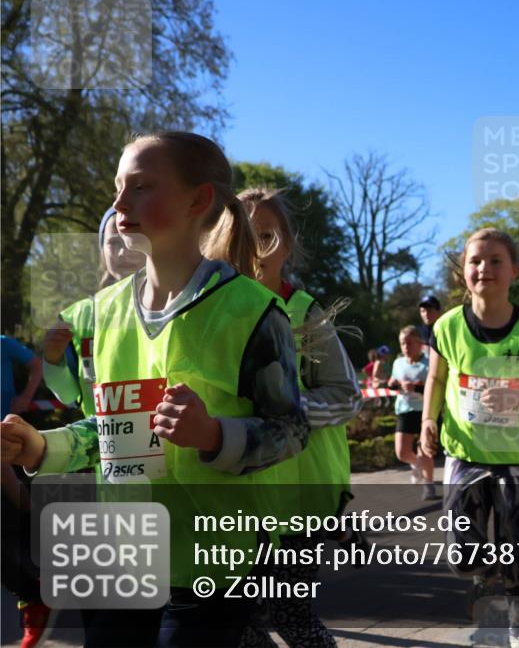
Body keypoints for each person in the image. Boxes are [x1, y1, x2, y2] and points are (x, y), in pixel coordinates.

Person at [1, 131, 310, 647]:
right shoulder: (100, 315)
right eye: (118, 188)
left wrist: (214, 435)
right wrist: (41, 446)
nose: (120, 203)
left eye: (141, 187)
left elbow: (292, 428)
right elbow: (110, 425)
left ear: (199, 200)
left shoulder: (254, 312)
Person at [420, 228, 519, 648]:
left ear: (514, 270)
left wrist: (516, 401)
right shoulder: (446, 327)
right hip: (465, 454)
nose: (485, 268)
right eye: (475, 261)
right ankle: (483, 573)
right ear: (463, 272)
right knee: (462, 559)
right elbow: (434, 376)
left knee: (515, 547)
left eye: (496, 260)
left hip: (518, 457)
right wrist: (429, 419)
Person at [238, 187, 363, 648]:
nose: (255, 250)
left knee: (292, 613)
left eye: (268, 236)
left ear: (288, 245)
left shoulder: (303, 311)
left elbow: (348, 396)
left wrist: (285, 411)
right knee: (235, 622)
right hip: (233, 499)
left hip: (296, 498)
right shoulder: (208, 313)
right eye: (242, 236)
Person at [42, 206, 146, 419]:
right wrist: (53, 360)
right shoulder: (78, 316)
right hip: (102, 442)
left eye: (132, 239)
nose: (123, 251)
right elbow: (69, 396)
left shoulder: (177, 303)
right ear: (102, 251)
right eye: (113, 242)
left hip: (163, 439)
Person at [0, 335, 48, 648]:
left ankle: (34, 596)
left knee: (15, 511)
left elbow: (37, 366)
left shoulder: (3, 343)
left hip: (6, 442)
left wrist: (24, 397)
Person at [388, 325, 436, 500]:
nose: (406, 347)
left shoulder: (429, 362)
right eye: (402, 344)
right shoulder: (398, 362)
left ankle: (429, 485)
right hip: (405, 409)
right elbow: (392, 381)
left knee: (426, 450)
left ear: (419, 343)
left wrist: (416, 387)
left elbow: (437, 386)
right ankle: (417, 464)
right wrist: (392, 383)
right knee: (401, 452)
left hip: (426, 411)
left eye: (409, 343)